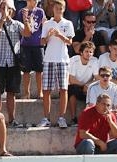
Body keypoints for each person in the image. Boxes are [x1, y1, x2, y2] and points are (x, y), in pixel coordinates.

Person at [38, 0, 75, 128]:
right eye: (56, 8)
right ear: (53, 9)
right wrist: (48, 36)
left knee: (63, 89)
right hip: (49, 59)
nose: (58, 10)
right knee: (46, 90)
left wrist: (59, 35)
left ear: (64, 9)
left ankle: (61, 118)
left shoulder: (68, 23)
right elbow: (42, 42)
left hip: (63, 60)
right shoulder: (47, 23)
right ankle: (46, 118)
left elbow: (70, 42)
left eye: (61, 8)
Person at [0, 0, 23, 127]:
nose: (4, 10)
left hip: (13, 63)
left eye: (7, 8)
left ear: (12, 11)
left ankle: (12, 119)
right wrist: (2, 20)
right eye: (2, 8)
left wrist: (27, 21)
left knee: (11, 92)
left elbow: (27, 34)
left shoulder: (17, 24)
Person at [86, 66, 117, 138]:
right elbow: (92, 106)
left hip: (111, 114)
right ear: (99, 77)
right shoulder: (92, 87)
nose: (105, 77)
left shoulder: (115, 87)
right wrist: (107, 114)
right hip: (97, 115)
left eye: (107, 75)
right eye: (102, 75)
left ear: (111, 77)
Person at [17, 0, 45, 101]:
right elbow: (19, 28)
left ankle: (40, 91)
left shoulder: (40, 11)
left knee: (39, 70)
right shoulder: (21, 12)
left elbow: (43, 25)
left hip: (38, 44)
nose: (36, 1)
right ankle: (26, 92)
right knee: (26, 70)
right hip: (25, 44)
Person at [68, 41, 99, 125]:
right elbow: (71, 80)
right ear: (81, 52)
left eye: (91, 52)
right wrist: (84, 85)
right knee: (72, 89)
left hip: (86, 87)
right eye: (86, 51)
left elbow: (98, 78)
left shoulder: (94, 61)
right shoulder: (74, 60)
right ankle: (73, 118)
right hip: (73, 86)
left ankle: (92, 119)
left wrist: (88, 85)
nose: (89, 54)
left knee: (95, 89)